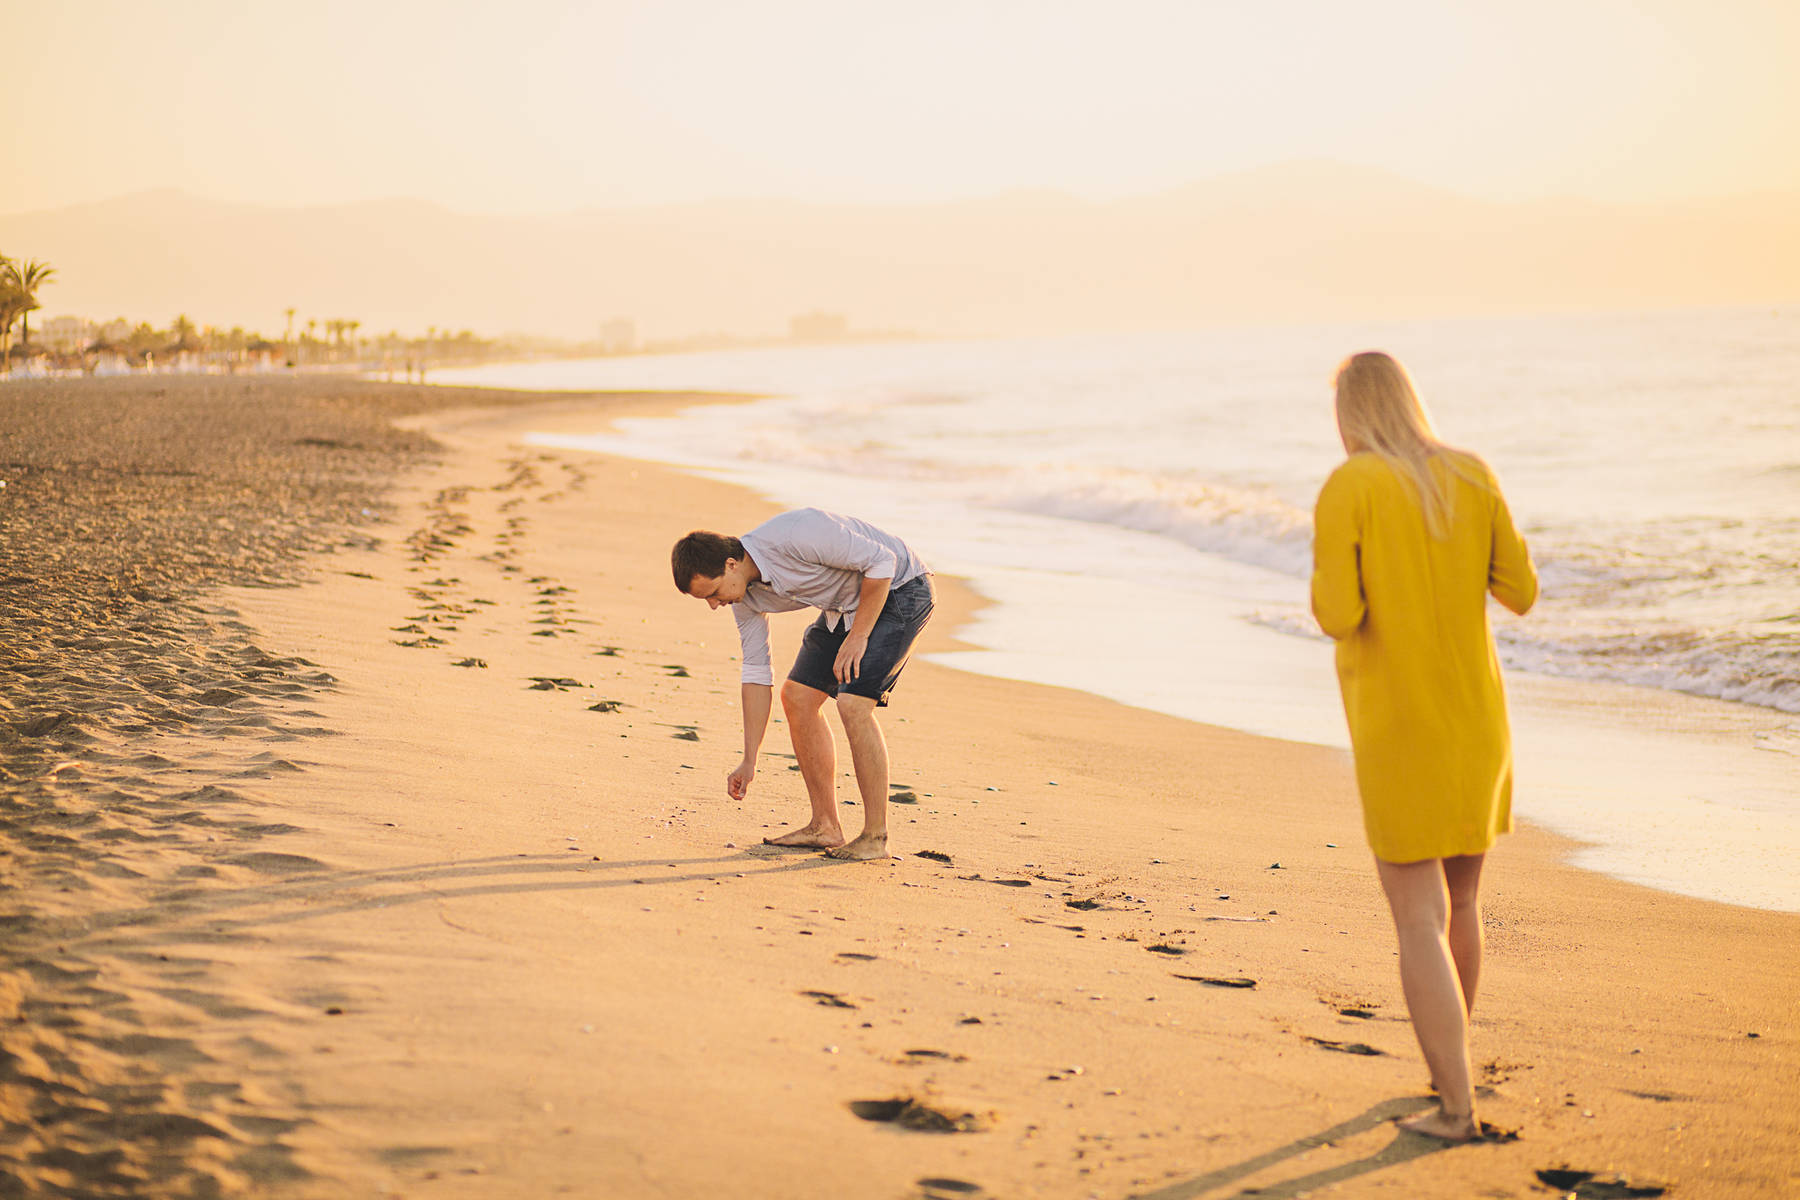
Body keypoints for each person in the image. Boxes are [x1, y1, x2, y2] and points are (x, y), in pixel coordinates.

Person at [1310, 351, 1538, 1142]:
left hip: (1399, 727)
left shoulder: (1353, 486)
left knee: (1417, 920)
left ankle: (1456, 1107)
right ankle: (1451, 1073)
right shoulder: (1472, 474)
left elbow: (1337, 613)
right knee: (1463, 903)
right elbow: (1522, 591)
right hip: (1478, 720)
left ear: (1352, 415)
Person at [671, 509, 934, 861]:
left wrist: (859, 636)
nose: (714, 605)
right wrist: (749, 760)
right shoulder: (745, 599)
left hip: (901, 588)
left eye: (714, 592)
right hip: (843, 605)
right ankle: (825, 825)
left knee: (853, 704)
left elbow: (881, 562)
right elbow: (756, 672)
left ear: (731, 564)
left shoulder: (797, 534)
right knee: (797, 697)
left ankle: (875, 837)